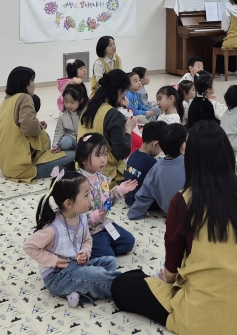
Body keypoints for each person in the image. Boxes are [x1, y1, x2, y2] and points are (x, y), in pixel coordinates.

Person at [110, 121, 237, 335]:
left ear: (189, 155)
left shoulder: (183, 201)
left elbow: (171, 272)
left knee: (123, 284)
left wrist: (165, 278)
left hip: (203, 319)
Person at [23, 168, 120, 308]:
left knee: (110, 262)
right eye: (86, 195)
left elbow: (87, 240)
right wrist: (53, 260)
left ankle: (77, 290)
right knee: (92, 274)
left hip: (77, 266)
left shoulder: (82, 217)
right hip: (57, 277)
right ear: (69, 203)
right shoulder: (53, 229)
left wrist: (85, 253)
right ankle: (122, 285)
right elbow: (29, 246)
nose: (91, 198)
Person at [0, 66, 74, 182]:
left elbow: (16, 126)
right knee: (75, 155)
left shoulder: (6, 101)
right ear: (23, 83)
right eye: (32, 81)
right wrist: (37, 127)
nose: (34, 85)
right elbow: (30, 130)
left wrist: (36, 124)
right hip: (21, 168)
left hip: (5, 164)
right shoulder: (24, 98)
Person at [75, 133, 137, 258]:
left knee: (129, 242)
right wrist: (94, 216)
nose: (103, 159)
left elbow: (107, 202)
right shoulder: (76, 182)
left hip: (104, 225)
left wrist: (120, 190)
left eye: (105, 154)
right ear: (84, 159)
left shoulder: (103, 178)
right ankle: (87, 248)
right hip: (87, 231)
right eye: (98, 155)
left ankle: (103, 248)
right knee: (107, 255)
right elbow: (72, 215)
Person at [78, 69, 135, 185]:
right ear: (119, 91)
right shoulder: (113, 115)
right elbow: (122, 152)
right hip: (104, 175)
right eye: (124, 93)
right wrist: (128, 129)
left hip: (82, 171)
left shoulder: (88, 107)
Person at [128, 123, 188, 219]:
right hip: (191, 214)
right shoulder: (190, 163)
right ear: (183, 146)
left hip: (170, 213)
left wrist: (134, 213)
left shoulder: (156, 167)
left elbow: (144, 194)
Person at [124, 121, 167, 206]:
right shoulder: (151, 162)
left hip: (130, 198)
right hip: (143, 203)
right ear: (155, 144)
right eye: (161, 147)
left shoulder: (133, 155)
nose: (161, 151)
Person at [52, 84, 86, 153]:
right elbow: (58, 132)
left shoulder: (86, 113)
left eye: (72, 102)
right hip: (70, 138)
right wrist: (55, 145)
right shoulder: (62, 115)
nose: (68, 105)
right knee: (64, 143)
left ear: (81, 101)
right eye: (66, 102)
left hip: (84, 138)